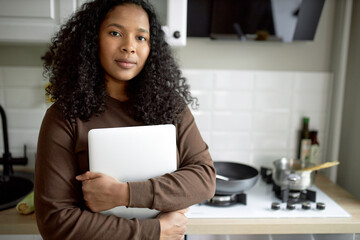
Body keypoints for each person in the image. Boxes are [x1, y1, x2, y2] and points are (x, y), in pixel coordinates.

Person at [34, 0, 216, 239]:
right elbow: (55, 222)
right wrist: (155, 231)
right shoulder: (63, 116)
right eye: (115, 33)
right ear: (92, 40)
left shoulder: (172, 106)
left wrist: (124, 194)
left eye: (141, 38)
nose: (129, 46)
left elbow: (204, 179)